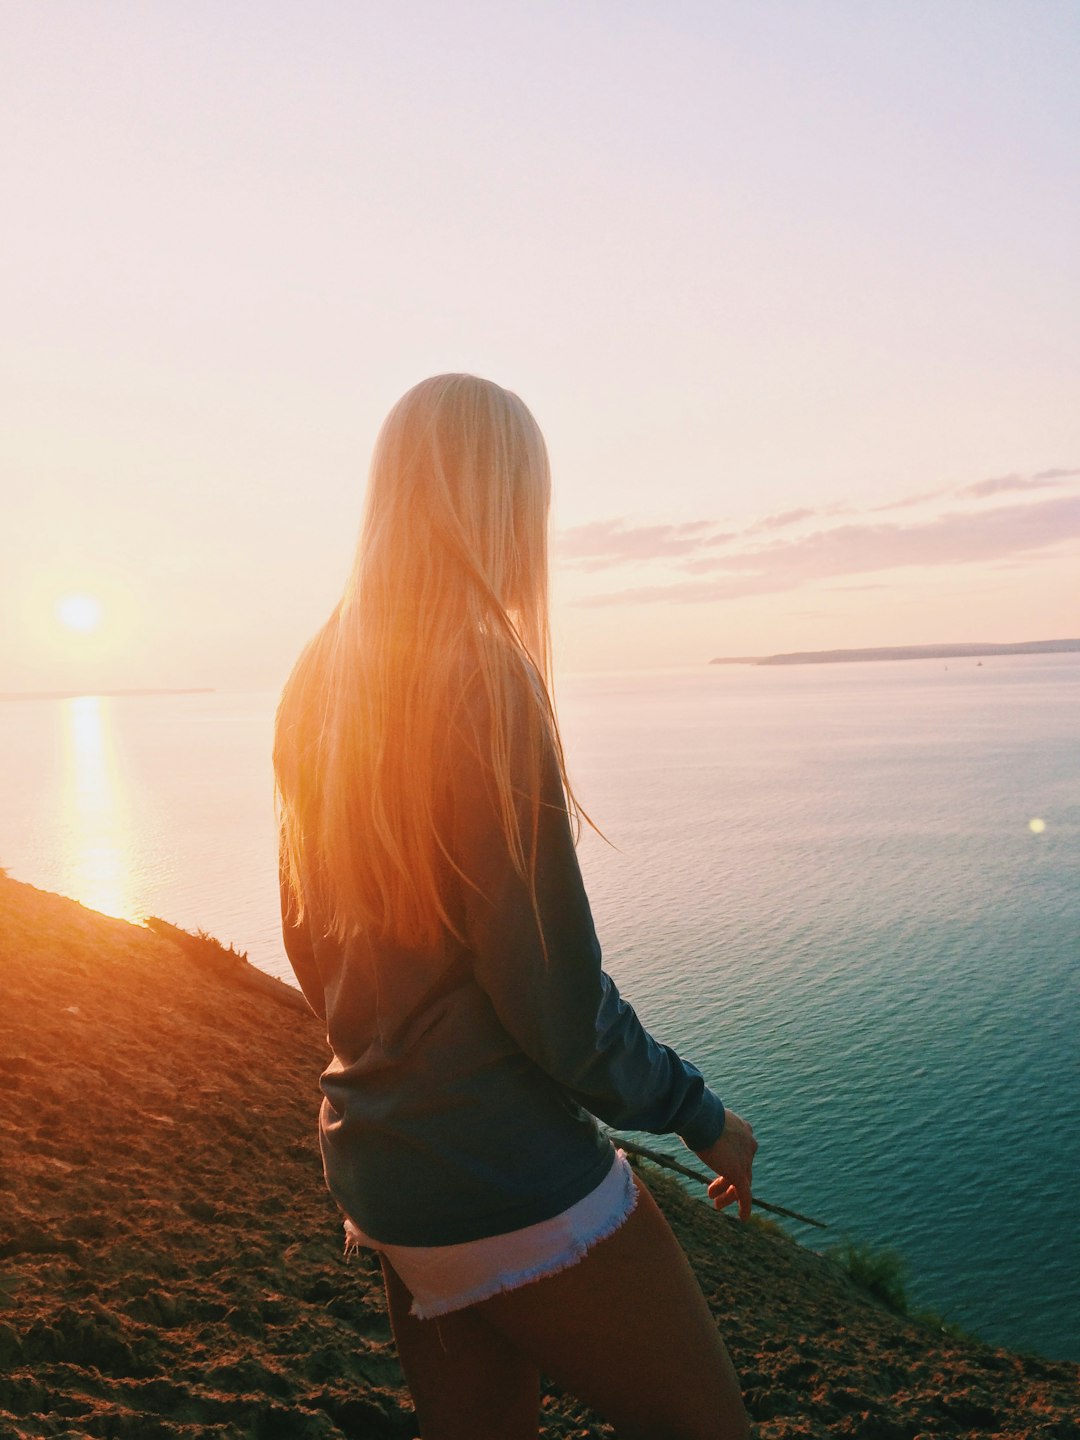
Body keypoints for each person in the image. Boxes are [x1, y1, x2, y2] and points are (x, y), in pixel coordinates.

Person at [273, 374, 756, 1440]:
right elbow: (554, 997)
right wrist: (701, 1115)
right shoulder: (488, 675)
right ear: (501, 502)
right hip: (507, 1175)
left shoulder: (320, 677)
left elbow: (311, 945)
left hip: (383, 1174)